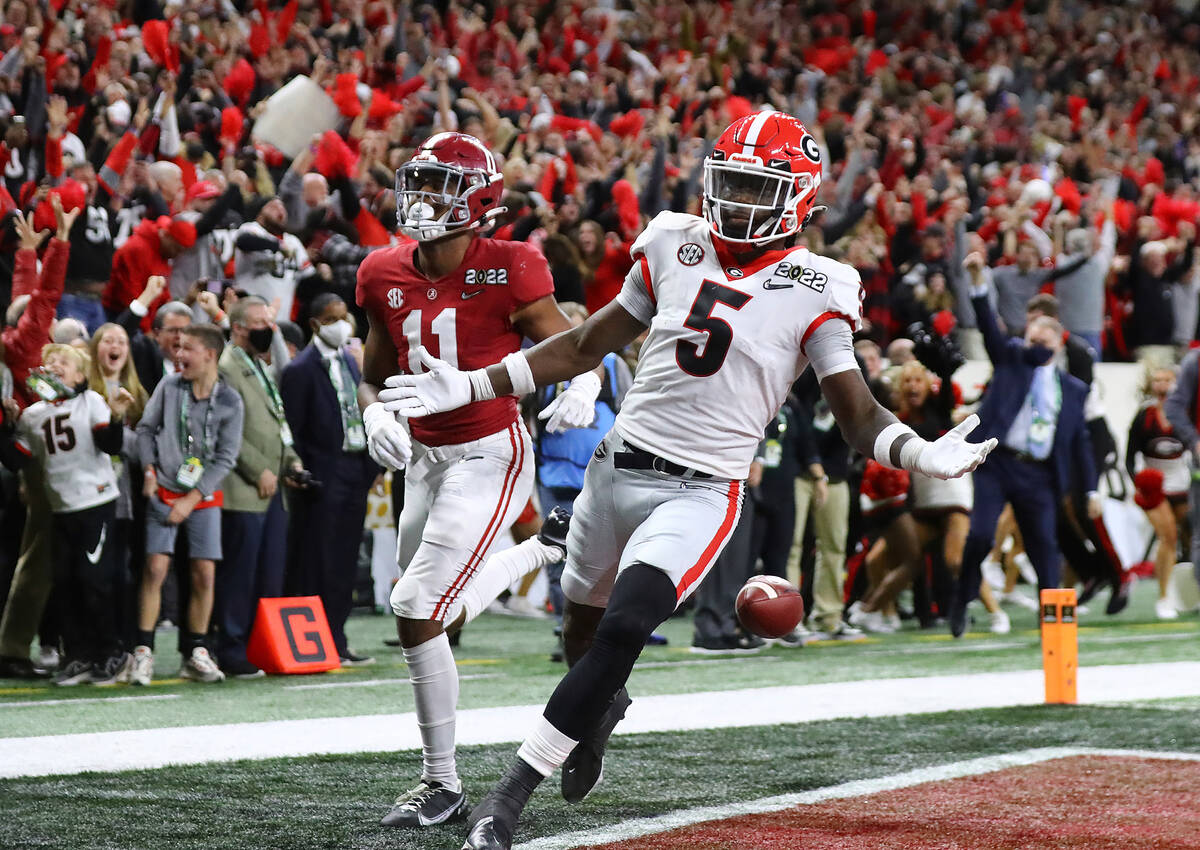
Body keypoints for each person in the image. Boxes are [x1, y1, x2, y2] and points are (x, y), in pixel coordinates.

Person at [380, 112, 993, 850]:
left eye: (754, 187)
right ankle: (596, 714)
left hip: (702, 490)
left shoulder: (819, 285)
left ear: (798, 198)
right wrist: (473, 387)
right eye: (728, 181)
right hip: (616, 465)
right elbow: (583, 343)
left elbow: (858, 417)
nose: (734, 199)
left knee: (627, 625)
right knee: (582, 632)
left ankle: (508, 796)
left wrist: (923, 454)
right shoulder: (674, 240)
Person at [355, 132, 602, 829]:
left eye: (442, 186)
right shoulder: (379, 269)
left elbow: (568, 345)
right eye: (420, 183)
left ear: (481, 199)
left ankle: (442, 784)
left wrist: (585, 380)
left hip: (491, 450)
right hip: (424, 456)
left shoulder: (514, 264)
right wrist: (372, 416)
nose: (424, 199)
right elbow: (373, 377)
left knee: (414, 603)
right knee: (430, 615)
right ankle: (537, 551)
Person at [951, 253, 1099, 638]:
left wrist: (1090, 488)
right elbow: (988, 328)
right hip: (997, 463)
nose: (1035, 339)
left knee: (1044, 551)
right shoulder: (1011, 359)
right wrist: (979, 283)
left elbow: (1080, 442)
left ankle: (1052, 630)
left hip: (1039, 472)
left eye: (1044, 335)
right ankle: (963, 596)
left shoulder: (1074, 389)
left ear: (1058, 339)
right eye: (1032, 332)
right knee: (981, 535)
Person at [0, 345, 132, 685]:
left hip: (94, 504)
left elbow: (110, 444)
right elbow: (15, 460)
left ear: (80, 375)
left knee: (93, 582)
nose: (55, 365)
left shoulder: (91, 403)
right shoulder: (33, 414)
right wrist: (7, 425)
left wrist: (116, 417)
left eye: (64, 362)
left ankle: (111, 653)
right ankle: (78, 656)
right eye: (51, 361)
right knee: (65, 586)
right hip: (60, 509)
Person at [132, 324, 244, 685]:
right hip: (163, 489)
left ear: (209, 354)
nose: (178, 355)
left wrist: (193, 498)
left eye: (187, 349)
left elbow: (226, 457)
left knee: (204, 574)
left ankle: (195, 651)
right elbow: (146, 429)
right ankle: (143, 652)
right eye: (178, 348)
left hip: (203, 496)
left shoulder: (230, 400)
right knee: (154, 569)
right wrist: (148, 470)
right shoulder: (168, 386)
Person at [280, 292, 380, 664]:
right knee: (317, 561)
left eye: (345, 315)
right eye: (332, 317)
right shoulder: (300, 370)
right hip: (323, 476)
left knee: (344, 561)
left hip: (354, 469)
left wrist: (370, 467)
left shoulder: (351, 363)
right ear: (314, 324)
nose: (342, 323)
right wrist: (305, 474)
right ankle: (310, 641)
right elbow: (294, 430)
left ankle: (337, 639)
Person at [214, 295, 305, 677]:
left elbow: (274, 422)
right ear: (237, 328)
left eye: (270, 321)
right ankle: (231, 650)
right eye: (259, 322)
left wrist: (291, 461)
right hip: (243, 489)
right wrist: (258, 471)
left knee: (268, 574)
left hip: (273, 489)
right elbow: (224, 430)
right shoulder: (226, 366)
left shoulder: (259, 365)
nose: (269, 329)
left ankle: (258, 646)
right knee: (241, 575)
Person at [1130, 366, 1190, 619]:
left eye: (1167, 380)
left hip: (1184, 482)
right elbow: (1128, 455)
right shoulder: (1144, 416)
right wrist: (1138, 485)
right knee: (1167, 537)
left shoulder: (1185, 413)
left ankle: (1187, 593)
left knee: (1190, 537)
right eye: (1157, 380)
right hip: (1154, 486)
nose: (1162, 385)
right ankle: (1163, 597)